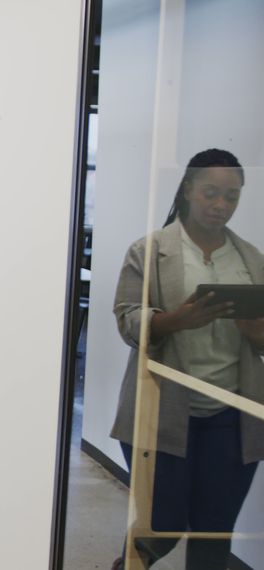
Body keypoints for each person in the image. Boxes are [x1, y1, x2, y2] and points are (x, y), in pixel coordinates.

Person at [110, 149, 264, 569]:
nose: (220, 205)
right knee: (162, 524)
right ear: (187, 191)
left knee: (215, 530)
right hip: (163, 410)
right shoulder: (149, 251)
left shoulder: (251, 259)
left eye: (231, 197)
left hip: (234, 415)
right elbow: (127, 319)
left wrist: (257, 334)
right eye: (210, 193)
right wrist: (176, 320)